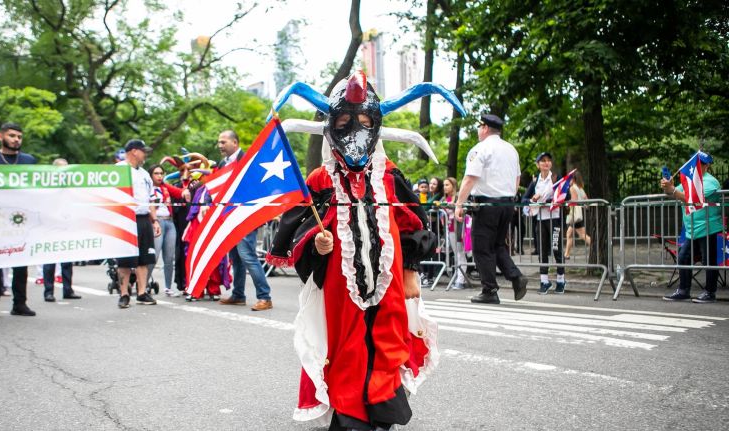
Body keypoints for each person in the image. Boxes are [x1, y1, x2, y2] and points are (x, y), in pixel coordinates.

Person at [267, 70, 452, 431]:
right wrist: (317, 245)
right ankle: (350, 414)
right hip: (340, 283)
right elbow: (299, 228)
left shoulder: (389, 176)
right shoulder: (320, 180)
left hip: (390, 280)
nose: (356, 128)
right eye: (345, 120)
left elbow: (414, 221)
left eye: (366, 120)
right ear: (331, 125)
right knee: (347, 344)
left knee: (388, 336)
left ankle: (382, 406)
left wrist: (411, 270)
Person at [455, 114, 528, 304]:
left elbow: (470, 178)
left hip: (487, 204)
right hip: (507, 203)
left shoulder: (480, 149)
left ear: (485, 128)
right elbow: (517, 178)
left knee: (481, 247)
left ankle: (489, 290)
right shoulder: (511, 149)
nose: (478, 130)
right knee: (497, 245)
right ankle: (516, 276)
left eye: (480, 127)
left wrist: (459, 204)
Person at [0, 122, 37, 319]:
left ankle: (19, 303)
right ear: (0, 137)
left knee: (21, 263)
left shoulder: (28, 161)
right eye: (12, 136)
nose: (16, 140)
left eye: (19, 136)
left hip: (21, 220)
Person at [216, 130, 273, 311]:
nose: (220, 146)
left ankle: (265, 297)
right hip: (229, 217)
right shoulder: (222, 164)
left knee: (248, 256)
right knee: (235, 258)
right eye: (219, 142)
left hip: (245, 216)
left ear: (235, 142)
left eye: (223, 142)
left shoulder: (249, 161)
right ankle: (238, 295)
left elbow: (260, 188)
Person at [660, 151, 723, 303]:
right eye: (694, 163)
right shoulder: (689, 180)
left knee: (709, 261)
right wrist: (667, 186)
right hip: (692, 229)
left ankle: (710, 292)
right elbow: (674, 192)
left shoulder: (710, 182)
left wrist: (673, 190)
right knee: (683, 257)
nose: (696, 166)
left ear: (707, 166)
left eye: (699, 163)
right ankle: (683, 290)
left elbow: (692, 199)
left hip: (708, 227)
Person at [115, 139, 160, 309]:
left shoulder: (144, 174)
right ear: (134, 151)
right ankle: (124, 294)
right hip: (126, 219)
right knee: (125, 260)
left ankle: (142, 292)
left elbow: (150, 199)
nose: (145, 154)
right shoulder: (119, 170)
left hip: (143, 219)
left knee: (144, 258)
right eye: (143, 151)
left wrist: (154, 220)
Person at [42, 158, 82, 302]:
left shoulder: (71, 188)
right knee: (50, 260)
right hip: (51, 227)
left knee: (67, 261)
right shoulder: (48, 188)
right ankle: (48, 291)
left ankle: (68, 289)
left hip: (67, 225)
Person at [528, 152, 567, 294]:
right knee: (542, 251)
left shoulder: (556, 179)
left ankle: (561, 280)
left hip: (554, 219)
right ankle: (544, 281)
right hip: (540, 220)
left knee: (557, 249)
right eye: (543, 161)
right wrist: (533, 198)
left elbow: (564, 197)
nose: (546, 163)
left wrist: (548, 201)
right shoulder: (534, 182)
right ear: (538, 165)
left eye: (548, 160)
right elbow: (526, 198)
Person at [148, 164, 179, 297]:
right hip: (156, 222)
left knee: (169, 257)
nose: (159, 176)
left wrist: (190, 184)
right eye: (156, 173)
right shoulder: (146, 188)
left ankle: (168, 287)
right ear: (151, 175)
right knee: (153, 256)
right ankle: (144, 284)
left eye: (161, 173)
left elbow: (181, 192)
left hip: (169, 222)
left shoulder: (165, 187)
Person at [564, 171, 591, 260]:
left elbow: (574, 201)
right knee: (570, 234)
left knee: (582, 235)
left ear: (573, 179)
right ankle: (566, 254)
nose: (569, 181)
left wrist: (567, 202)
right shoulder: (580, 188)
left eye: (570, 179)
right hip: (579, 214)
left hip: (574, 214)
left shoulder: (572, 188)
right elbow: (586, 201)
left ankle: (595, 246)